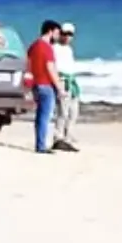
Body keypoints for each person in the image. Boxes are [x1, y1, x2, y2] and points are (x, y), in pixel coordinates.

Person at [27, 19, 63, 154]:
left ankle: (40, 143)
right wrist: (59, 87)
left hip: (35, 84)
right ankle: (41, 145)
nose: (58, 36)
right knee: (45, 116)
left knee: (40, 115)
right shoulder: (46, 47)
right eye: (57, 33)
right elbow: (50, 68)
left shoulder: (33, 46)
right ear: (50, 31)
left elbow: (28, 64)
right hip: (45, 84)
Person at [52, 20, 81, 152]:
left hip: (71, 80)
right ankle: (58, 137)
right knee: (62, 112)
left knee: (73, 112)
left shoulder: (69, 49)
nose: (67, 36)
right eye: (64, 33)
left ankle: (68, 136)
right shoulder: (54, 48)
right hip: (62, 79)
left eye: (70, 34)